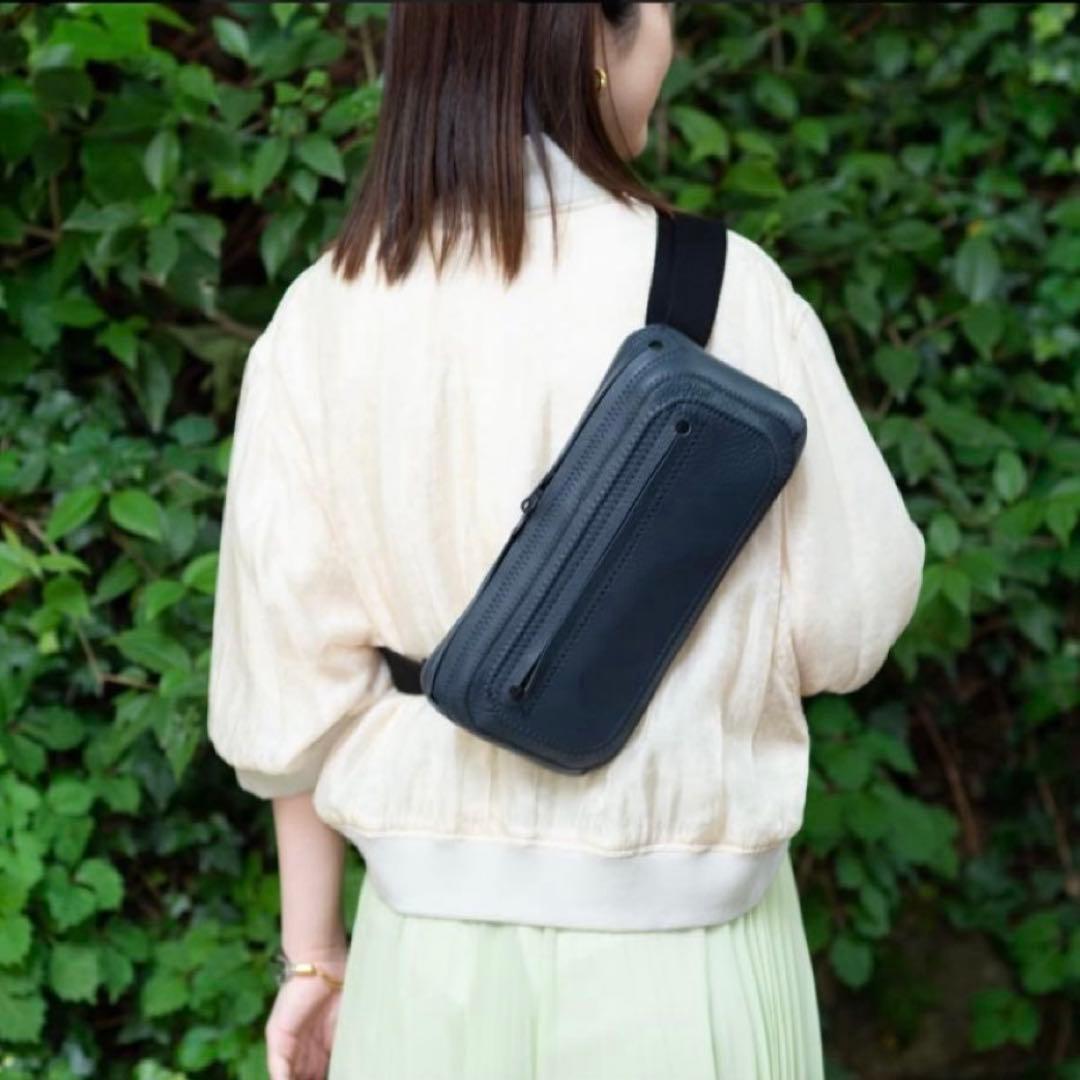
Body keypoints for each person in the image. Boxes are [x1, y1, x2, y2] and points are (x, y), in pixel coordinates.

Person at [206, 3, 926, 1079]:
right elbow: (850, 621)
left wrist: (314, 958)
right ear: (594, 32)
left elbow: (287, 696)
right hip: (687, 967)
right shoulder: (728, 288)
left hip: (424, 974)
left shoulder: (324, 313)